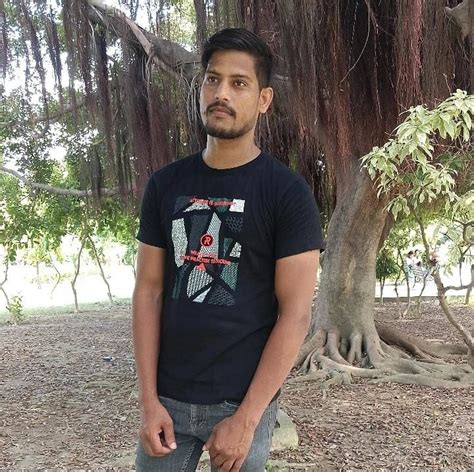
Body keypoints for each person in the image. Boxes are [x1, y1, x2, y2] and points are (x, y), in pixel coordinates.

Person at [133, 28, 324, 472]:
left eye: (239, 83)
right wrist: (147, 401)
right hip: (167, 400)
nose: (221, 93)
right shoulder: (165, 184)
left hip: (241, 402)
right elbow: (148, 291)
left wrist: (248, 417)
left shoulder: (287, 193)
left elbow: (296, 314)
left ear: (264, 99)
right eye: (212, 79)